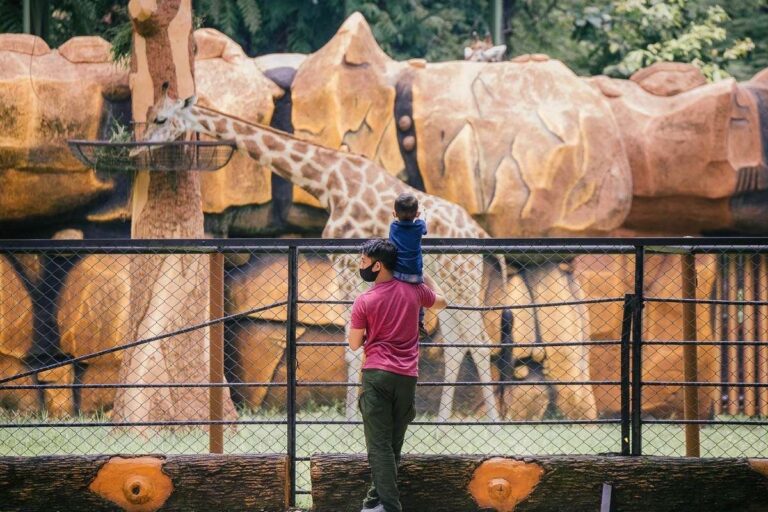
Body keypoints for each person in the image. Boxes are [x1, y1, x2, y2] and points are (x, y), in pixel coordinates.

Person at [349, 238, 447, 512]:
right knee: (392, 447)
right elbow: (442, 303)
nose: (360, 266)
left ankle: (391, 508)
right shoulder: (415, 292)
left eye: (364, 262)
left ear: (378, 266)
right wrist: (424, 279)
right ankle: (372, 505)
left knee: (379, 447)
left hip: (376, 376)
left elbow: (354, 344)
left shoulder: (364, 300)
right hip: (406, 378)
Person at [388, 193, 429, 338]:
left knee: (397, 298)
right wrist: (422, 215)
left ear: (394, 214)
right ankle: (419, 322)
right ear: (416, 213)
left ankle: (395, 321)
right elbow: (425, 229)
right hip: (415, 273)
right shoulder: (418, 226)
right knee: (419, 298)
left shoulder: (393, 226)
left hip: (397, 273)